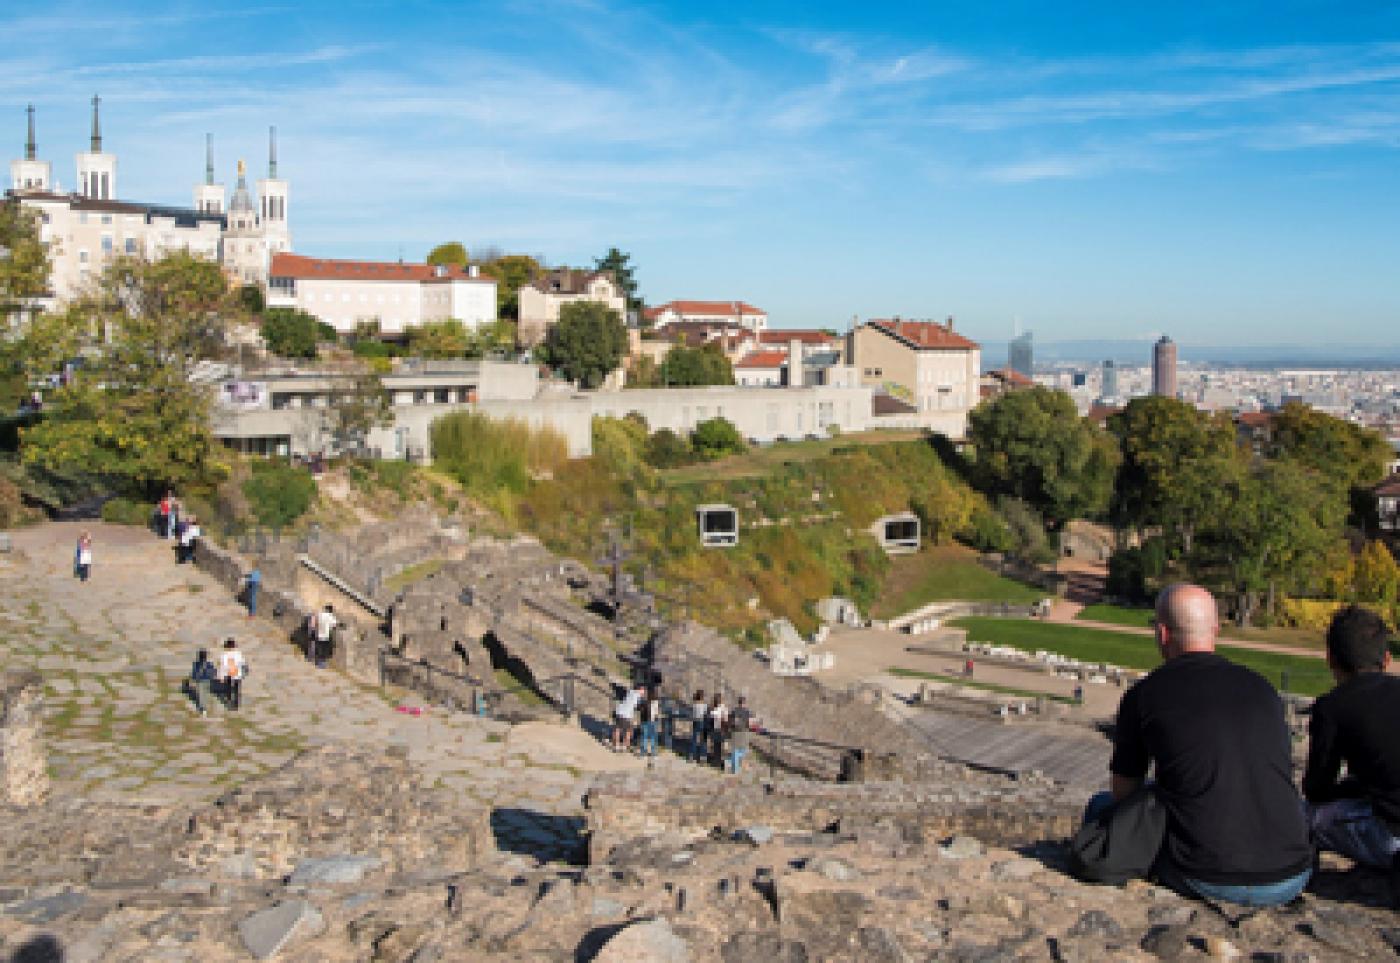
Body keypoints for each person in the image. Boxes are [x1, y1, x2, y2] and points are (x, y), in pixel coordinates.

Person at [1089, 583, 1312, 906]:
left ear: (1162, 634)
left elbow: (1124, 793)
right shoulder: (1261, 688)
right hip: (1293, 873)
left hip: (1209, 876)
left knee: (1100, 807)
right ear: (1216, 630)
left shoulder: (1146, 695)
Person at [1303, 606, 1400, 897]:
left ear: (1330, 658)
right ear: (1387, 659)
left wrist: (1349, 788)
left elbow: (1317, 790)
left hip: (1391, 838)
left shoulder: (1332, 706)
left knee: (1302, 816)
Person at [612, 684, 643, 752]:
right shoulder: (638, 696)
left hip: (619, 711)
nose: (643, 691)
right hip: (626, 714)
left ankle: (616, 746)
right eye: (642, 690)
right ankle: (625, 745)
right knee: (628, 731)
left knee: (617, 729)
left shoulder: (630, 691)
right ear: (640, 689)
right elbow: (639, 707)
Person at [218, 638, 247, 711]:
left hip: (228, 674)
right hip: (237, 674)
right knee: (237, 690)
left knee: (228, 689)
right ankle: (236, 704)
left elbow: (223, 667)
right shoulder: (238, 654)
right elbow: (242, 663)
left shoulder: (224, 655)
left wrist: (222, 676)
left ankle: (229, 703)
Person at [187, 648, 217, 716]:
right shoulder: (209, 664)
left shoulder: (196, 664)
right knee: (204, 694)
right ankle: (204, 707)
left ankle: (203, 709)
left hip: (200, 681)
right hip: (208, 681)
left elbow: (194, 673)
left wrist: (192, 679)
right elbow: (214, 672)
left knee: (201, 695)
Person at [727, 696, 753, 774]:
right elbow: (750, 723)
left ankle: (735, 769)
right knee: (743, 750)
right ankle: (739, 765)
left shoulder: (734, 711)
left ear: (738, 702)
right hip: (743, 732)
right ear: (744, 703)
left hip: (735, 732)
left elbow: (729, 722)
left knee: (735, 750)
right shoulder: (747, 712)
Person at [638, 688, 661, 758]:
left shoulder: (645, 701)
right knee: (651, 738)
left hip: (647, 721)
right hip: (650, 721)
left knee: (646, 737)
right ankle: (650, 752)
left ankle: (645, 753)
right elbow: (656, 713)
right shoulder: (653, 702)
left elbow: (640, 710)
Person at [708, 693, 728, 767]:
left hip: (716, 728)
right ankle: (719, 761)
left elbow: (711, 717)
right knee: (719, 747)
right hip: (722, 729)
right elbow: (726, 718)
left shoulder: (714, 709)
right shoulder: (724, 708)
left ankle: (716, 761)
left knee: (716, 746)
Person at [689, 689, 707, 762]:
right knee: (702, 740)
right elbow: (705, 714)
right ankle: (702, 756)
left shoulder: (695, 705)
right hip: (702, 722)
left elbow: (692, 714)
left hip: (696, 721)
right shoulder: (704, 705)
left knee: (694, 739)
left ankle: (692, 756)